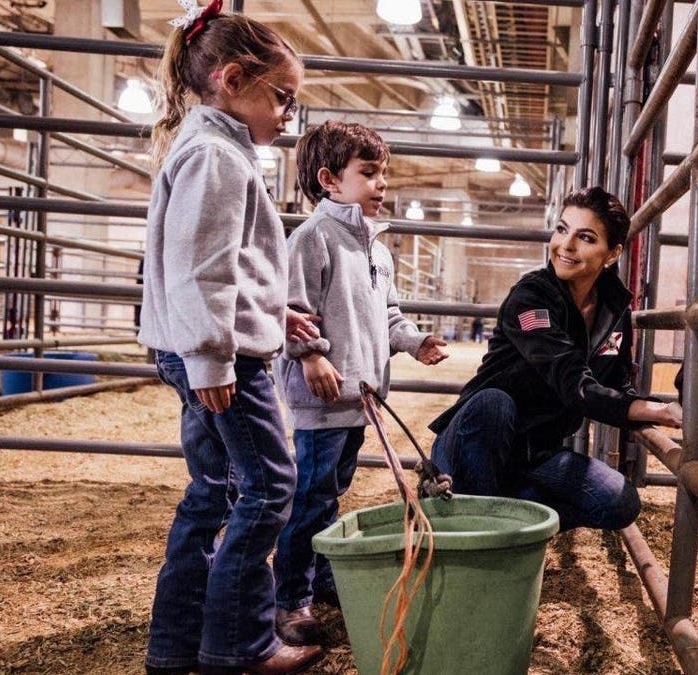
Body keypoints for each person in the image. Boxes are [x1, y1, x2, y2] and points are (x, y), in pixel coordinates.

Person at [137, 2, 322, 674]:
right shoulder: (217, 156)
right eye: (282, 97)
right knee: (270, 487)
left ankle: (176, 644)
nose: (286, 115)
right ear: (232, 78)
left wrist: (275, 318)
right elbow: (201, 268)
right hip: (222, 362)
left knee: (213, 490)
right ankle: (237, 647)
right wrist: (214, 355)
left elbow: (227, 268)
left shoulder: (211, 147)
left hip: (207, 350)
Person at [428, 187, 698, 531]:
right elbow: (570, 379)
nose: (566, 245)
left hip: (536, 452)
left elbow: (618, 385)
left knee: (619, 503)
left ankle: (495, 508)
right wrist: (661, 413)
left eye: (585, 237)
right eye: (562, 229)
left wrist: (682, 412)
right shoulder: (531, 297)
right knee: (494, 403)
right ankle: (477, 509)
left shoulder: (614, 309)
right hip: (479, 440)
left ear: (612, 253)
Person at [272, 120, 450, 645]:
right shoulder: (312, 239)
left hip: (360, 398)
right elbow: (295, 309)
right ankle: (290, 599)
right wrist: (309, 356)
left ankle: (317, 573)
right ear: (329, 181)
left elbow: (388, 314)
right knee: (310, 496)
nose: (381, 184)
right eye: (368, 173)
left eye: (383, 173)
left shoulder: (376, 248)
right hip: (322, 397)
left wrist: (415, 341)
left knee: (331, 491)